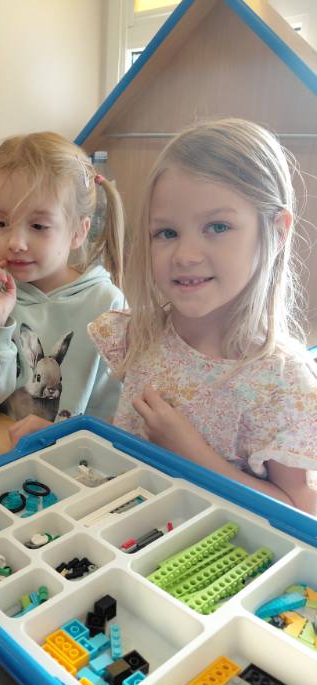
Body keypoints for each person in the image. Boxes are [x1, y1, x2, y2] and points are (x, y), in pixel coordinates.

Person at [89, 118, 317, 514]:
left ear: (277, 231)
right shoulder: (139, 334)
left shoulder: (284, 384)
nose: (185, 255)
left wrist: (191, 452)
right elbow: (127, 442)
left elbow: (298, 510)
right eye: (167, 233)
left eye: (217, 226)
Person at [0, 131, 125, 435]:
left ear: (78, 232)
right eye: (1, 223)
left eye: (38, 226)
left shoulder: (107, 305)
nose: (15, 242)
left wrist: (60, 436)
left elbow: (118, 419)